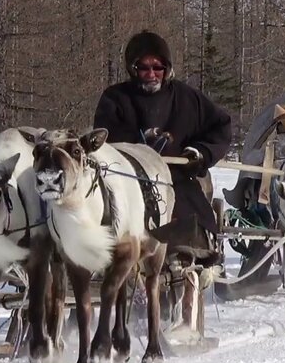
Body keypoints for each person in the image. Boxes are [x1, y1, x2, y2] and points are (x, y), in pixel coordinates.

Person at [93, 30, 233, 268]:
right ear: (132, 68)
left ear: (167, 68)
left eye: (157, 68)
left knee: (191, 212)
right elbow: (103, 140)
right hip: (127, 179)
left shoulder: (187, 98)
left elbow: (220, 126)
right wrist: (138, 145)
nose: (151, 74)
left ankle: (190, 253)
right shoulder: (115, 99)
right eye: (143, 68)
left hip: (175, 176)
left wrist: (200, 153)